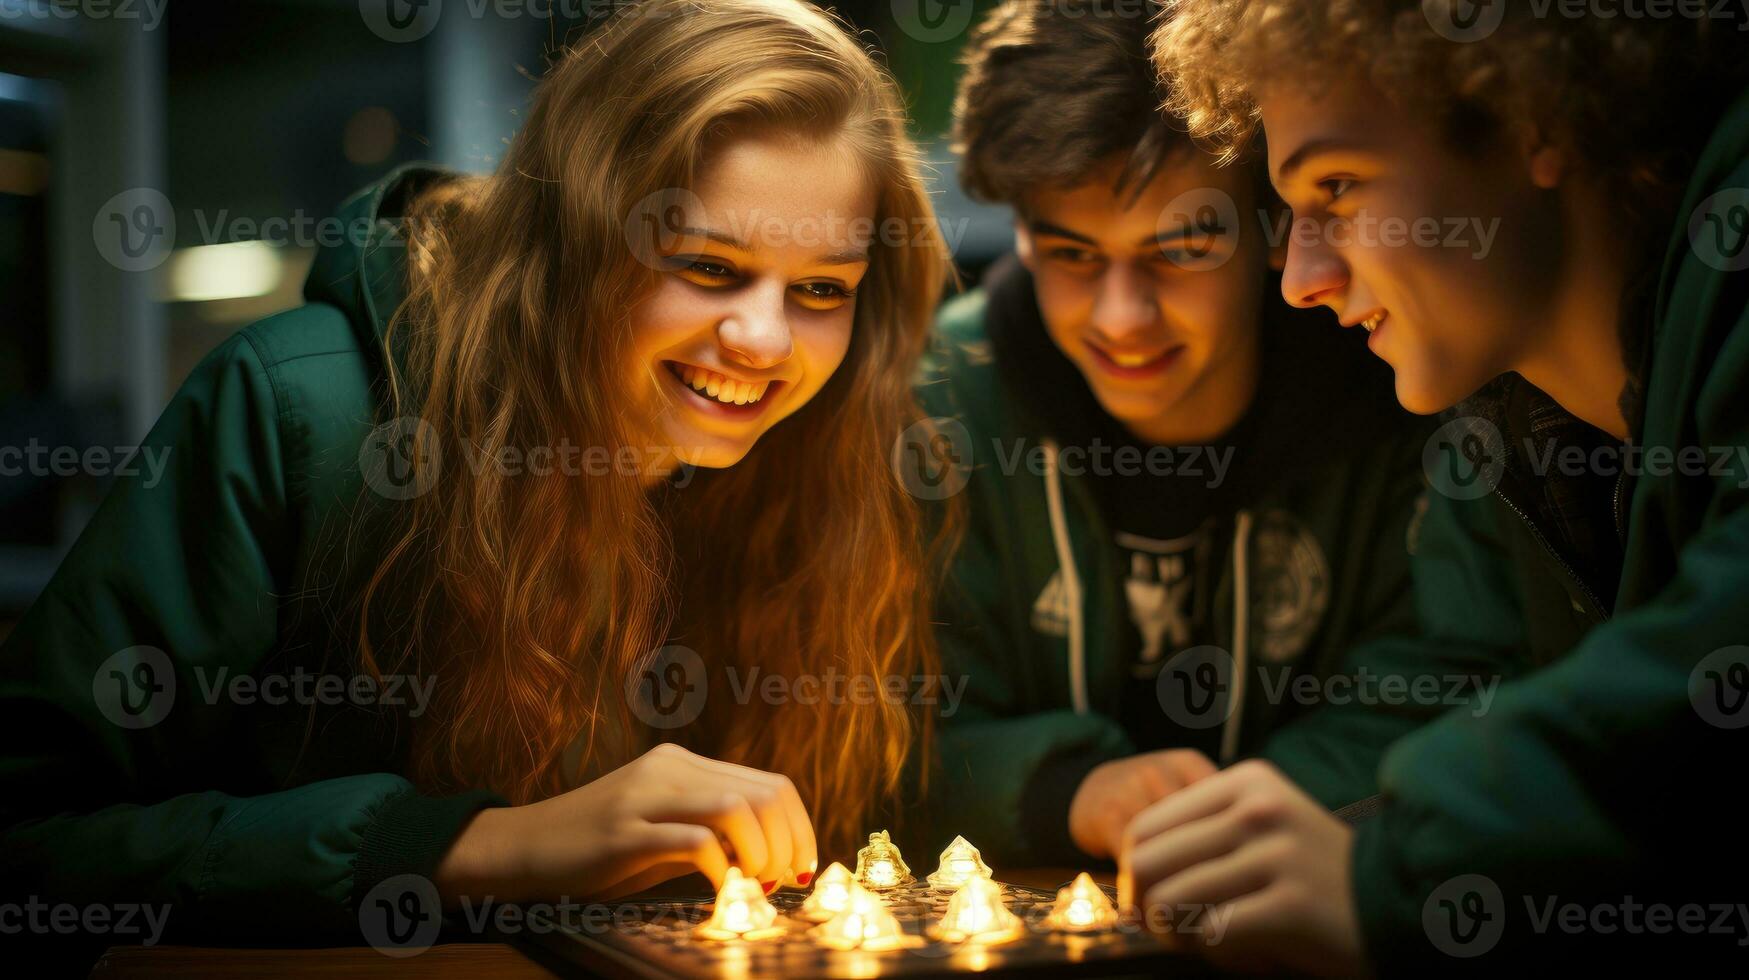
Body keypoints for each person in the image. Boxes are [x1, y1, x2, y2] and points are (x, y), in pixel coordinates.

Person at [0, 0, 951, 960]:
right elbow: (28, 839)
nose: (766, 341)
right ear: (573, 240)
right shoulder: (303, 412)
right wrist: (479, 847)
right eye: (707, 267)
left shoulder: (827, 472)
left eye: (822, 288)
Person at [1127, 0, 1749, 970]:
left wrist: (1401, 872)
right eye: (1292, 213)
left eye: (1338, 187)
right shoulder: (1505, 425)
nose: (1298, 277)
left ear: (1537, 112)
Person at [911, 0, 1446, 870]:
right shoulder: (929, 412)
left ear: (1275, 229)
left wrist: (1243, 818)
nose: (1122, 319)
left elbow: (1463, 682)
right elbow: (873, 737)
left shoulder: (1405, 383)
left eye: (1179, 250)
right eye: (1073, 254)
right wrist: (1065, 791)